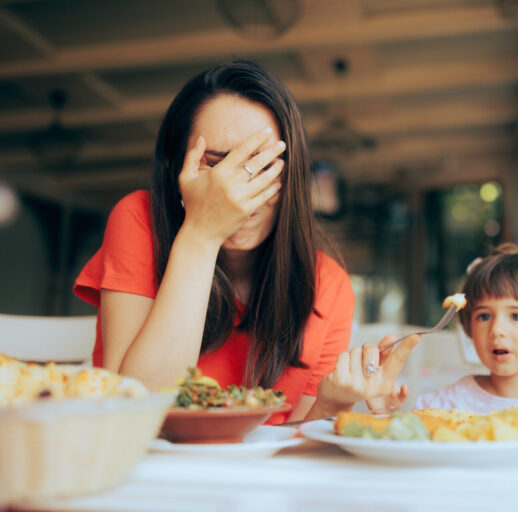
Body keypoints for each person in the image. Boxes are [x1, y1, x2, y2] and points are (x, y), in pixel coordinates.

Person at [74, 60, 418, 424]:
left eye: (264, 166)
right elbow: (133, 409)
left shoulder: (328, 285)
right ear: (176, 168)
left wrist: (331, 407)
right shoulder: (139, 220)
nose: (237, 193)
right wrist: (202, 234)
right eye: (217, 164)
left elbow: (291, 451)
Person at [368, 243, 518, 438]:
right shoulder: (442, 405)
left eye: (516, 315)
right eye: (484, 316)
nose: (497, 329)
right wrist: (384, 416)